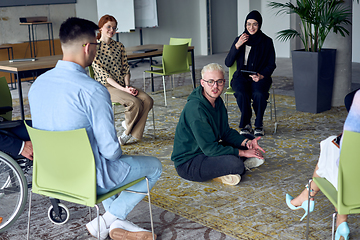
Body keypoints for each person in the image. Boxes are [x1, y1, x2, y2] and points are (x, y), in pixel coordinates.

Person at [28, 17, 162, 240]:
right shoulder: (93, 90)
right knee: (154, 166)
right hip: (88, 179)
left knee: (100, 158)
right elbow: (111, 151)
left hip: (51, 176)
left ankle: (115, 223)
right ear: (89, 47)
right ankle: (108, 220)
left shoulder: (37, 85)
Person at [171, 63, 265, 186]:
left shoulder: (217, 101)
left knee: (249, 140)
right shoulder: (196, 109)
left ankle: (230, 166)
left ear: (224, 82)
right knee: (235, 164)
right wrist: (243, 153)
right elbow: (210, 149)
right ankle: (231, 168)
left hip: (207, 151)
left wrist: (246, 143)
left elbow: (225, 132)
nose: (215, 86)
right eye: (210, 81)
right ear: (202, 83)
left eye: (219, 82)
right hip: (189, 162)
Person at [286, 90, 360, 240]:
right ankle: (308, 198)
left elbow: (348, 148)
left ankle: (310, 197)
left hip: (353, 190)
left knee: (330, 147)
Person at [91, 14, 154, 145]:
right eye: (108, 27)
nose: (112, 30)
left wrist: (127, 86)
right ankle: (126, 135)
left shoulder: (119, 46)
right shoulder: (94, 48)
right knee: (134, 103)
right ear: (100, 27)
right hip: (106, 87)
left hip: (122, 85)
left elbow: (125, 68)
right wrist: (125, 90)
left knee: (148, 100)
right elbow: (105, 76)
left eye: (114, 28)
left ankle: (129, 126)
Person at [225, 10, 276, 136]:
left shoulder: (267, 42)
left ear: (259, 25)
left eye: (254, 24)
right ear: (245, 25)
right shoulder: (240, 39)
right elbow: (228, 62)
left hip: (259, 76)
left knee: (259, 93)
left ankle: (259, 124)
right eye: (248, 24)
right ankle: (246, 124)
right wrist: (237, 45)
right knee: (241, 93)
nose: (251, 27)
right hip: (241, 77)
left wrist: (261, 75)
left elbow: (271, 64)